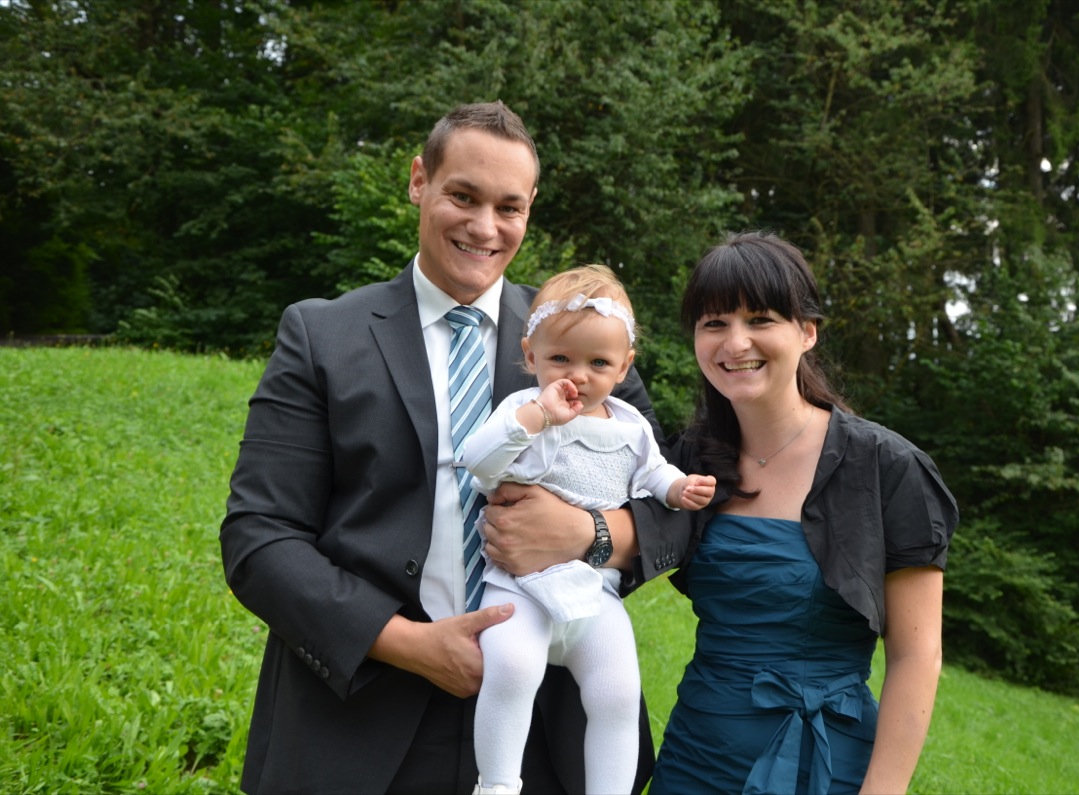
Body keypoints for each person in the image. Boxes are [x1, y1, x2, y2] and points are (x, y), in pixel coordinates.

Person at [220, 101, 691, 795]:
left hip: (543, 727)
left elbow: (670, 513)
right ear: (420, 180)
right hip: (359, 718)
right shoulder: (322, 336)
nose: (484, 226)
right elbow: (259, 537)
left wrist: (588, 533)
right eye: (463, 197)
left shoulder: (582, 337)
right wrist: (405, 643)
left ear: (530, 209)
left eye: (509, 207)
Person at [649, 231, 958, 795]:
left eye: (760, 319)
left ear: (807, 332)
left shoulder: (886, 467)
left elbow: (917, 656)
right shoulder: (688, 460)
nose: (735, 342)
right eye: (714, 323)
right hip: (696, 758)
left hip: (825, 767)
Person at [462, 265, 716, 795]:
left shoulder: (630, 424)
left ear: (624, 366)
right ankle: (499, 784)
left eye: (598, 363)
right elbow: (478, 461)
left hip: (595, 591)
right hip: (521, 586)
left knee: (617, 693)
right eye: (561, 359)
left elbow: (653, 472)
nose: (577, 376)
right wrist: (536, 417)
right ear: (530, 355)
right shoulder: (523, 411)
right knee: (511, 669)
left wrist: (678, 488)